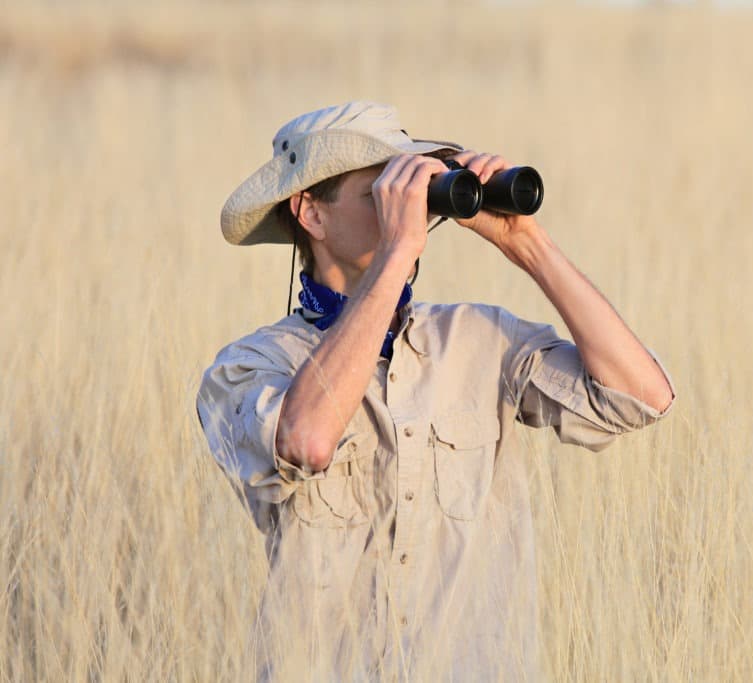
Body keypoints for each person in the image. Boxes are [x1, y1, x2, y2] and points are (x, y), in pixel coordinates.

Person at [197, 101, 674, 681]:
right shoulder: (251, 368)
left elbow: (640, 397)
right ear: (310, 214)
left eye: (414, 184)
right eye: (382, 189)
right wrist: (396, 254)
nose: (407, 207)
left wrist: (526, 243)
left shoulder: (479, 340)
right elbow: (307, 441)